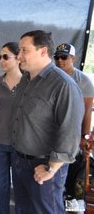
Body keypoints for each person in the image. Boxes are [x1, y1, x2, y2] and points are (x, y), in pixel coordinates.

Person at [11, 30, 84, 213]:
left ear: (43, 51)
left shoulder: (63, 85)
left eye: (24, 50)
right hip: (20, 161)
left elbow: (70, 134)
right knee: (23, 209)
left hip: (44, 166)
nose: (19, 56)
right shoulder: (25, 81)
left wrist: (51, 170)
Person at [54, 43, 94, 198]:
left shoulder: (83, 81)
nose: (59, 61)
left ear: (73, 58)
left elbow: (87, 112)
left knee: (69, 179)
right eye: (56, 57)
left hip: (71, 137)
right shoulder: (51, 77)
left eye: (64, 57)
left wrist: (84, 138)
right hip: (51, 135)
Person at [0, 42, 22, 214]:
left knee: (20, 184)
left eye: (6, 56)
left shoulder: (28, 82)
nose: (1, 60)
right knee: (2, 185)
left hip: (20, 144)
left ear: (18, 58)